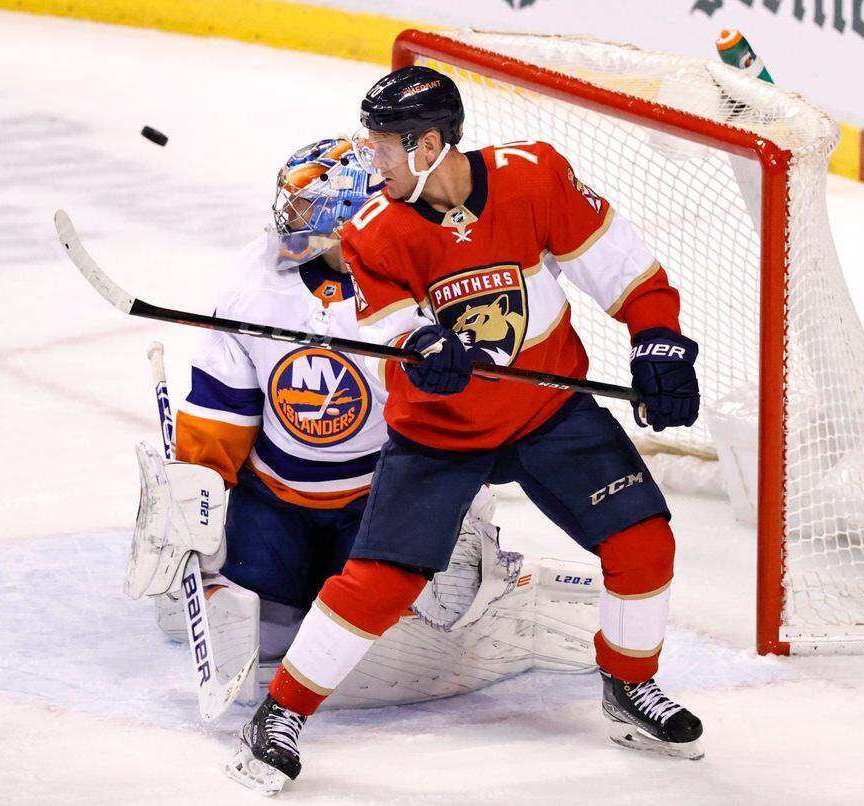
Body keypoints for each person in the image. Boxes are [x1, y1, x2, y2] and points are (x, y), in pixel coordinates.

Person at [226, 68, 703, 795]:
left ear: (428, 146)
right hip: (440, 432)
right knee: (383, 581)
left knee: (644, 541)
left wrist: (658, 340)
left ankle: (630, 686)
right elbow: (391, 335)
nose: (371, 161)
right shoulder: (373, 232)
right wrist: (425, 354)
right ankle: (279, 712)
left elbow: (626, 272)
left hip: (547, 408)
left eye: (383, 146)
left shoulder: (536, 176)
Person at [125, 138, 600, 714]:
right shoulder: (256, 279)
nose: (288, 219)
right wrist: (195, 490)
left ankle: (509, 599)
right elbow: (226, 398)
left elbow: (463, 419)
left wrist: (458, 495)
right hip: (278, 497)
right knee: (267, 638)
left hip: (385, 501)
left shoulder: (427, 281)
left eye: (307, 207)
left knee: (385, 650)